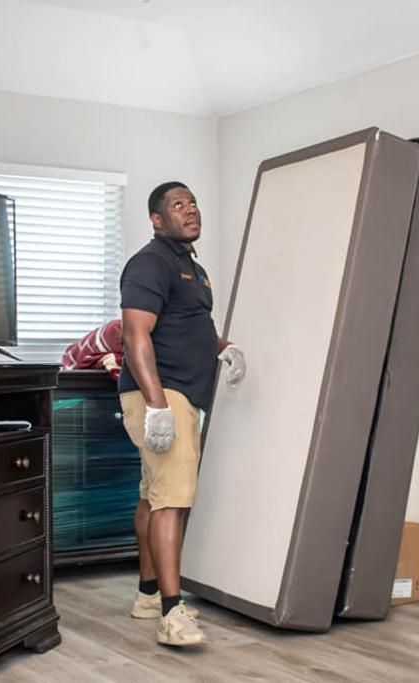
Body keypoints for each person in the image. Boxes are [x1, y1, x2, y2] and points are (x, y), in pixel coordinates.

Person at [118, 181, 247, 647]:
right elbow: (136, 335)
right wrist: (156, 404)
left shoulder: (190, 268)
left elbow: (189, 326)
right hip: (163, 394)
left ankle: (149, 594)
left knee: (153, 495)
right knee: (172, 499)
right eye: (178, 204)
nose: (190, 209)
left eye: (193, 202)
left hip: (182, 394)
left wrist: (224, 349)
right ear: (156, 219)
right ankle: (173, 615)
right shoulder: (148, 263)